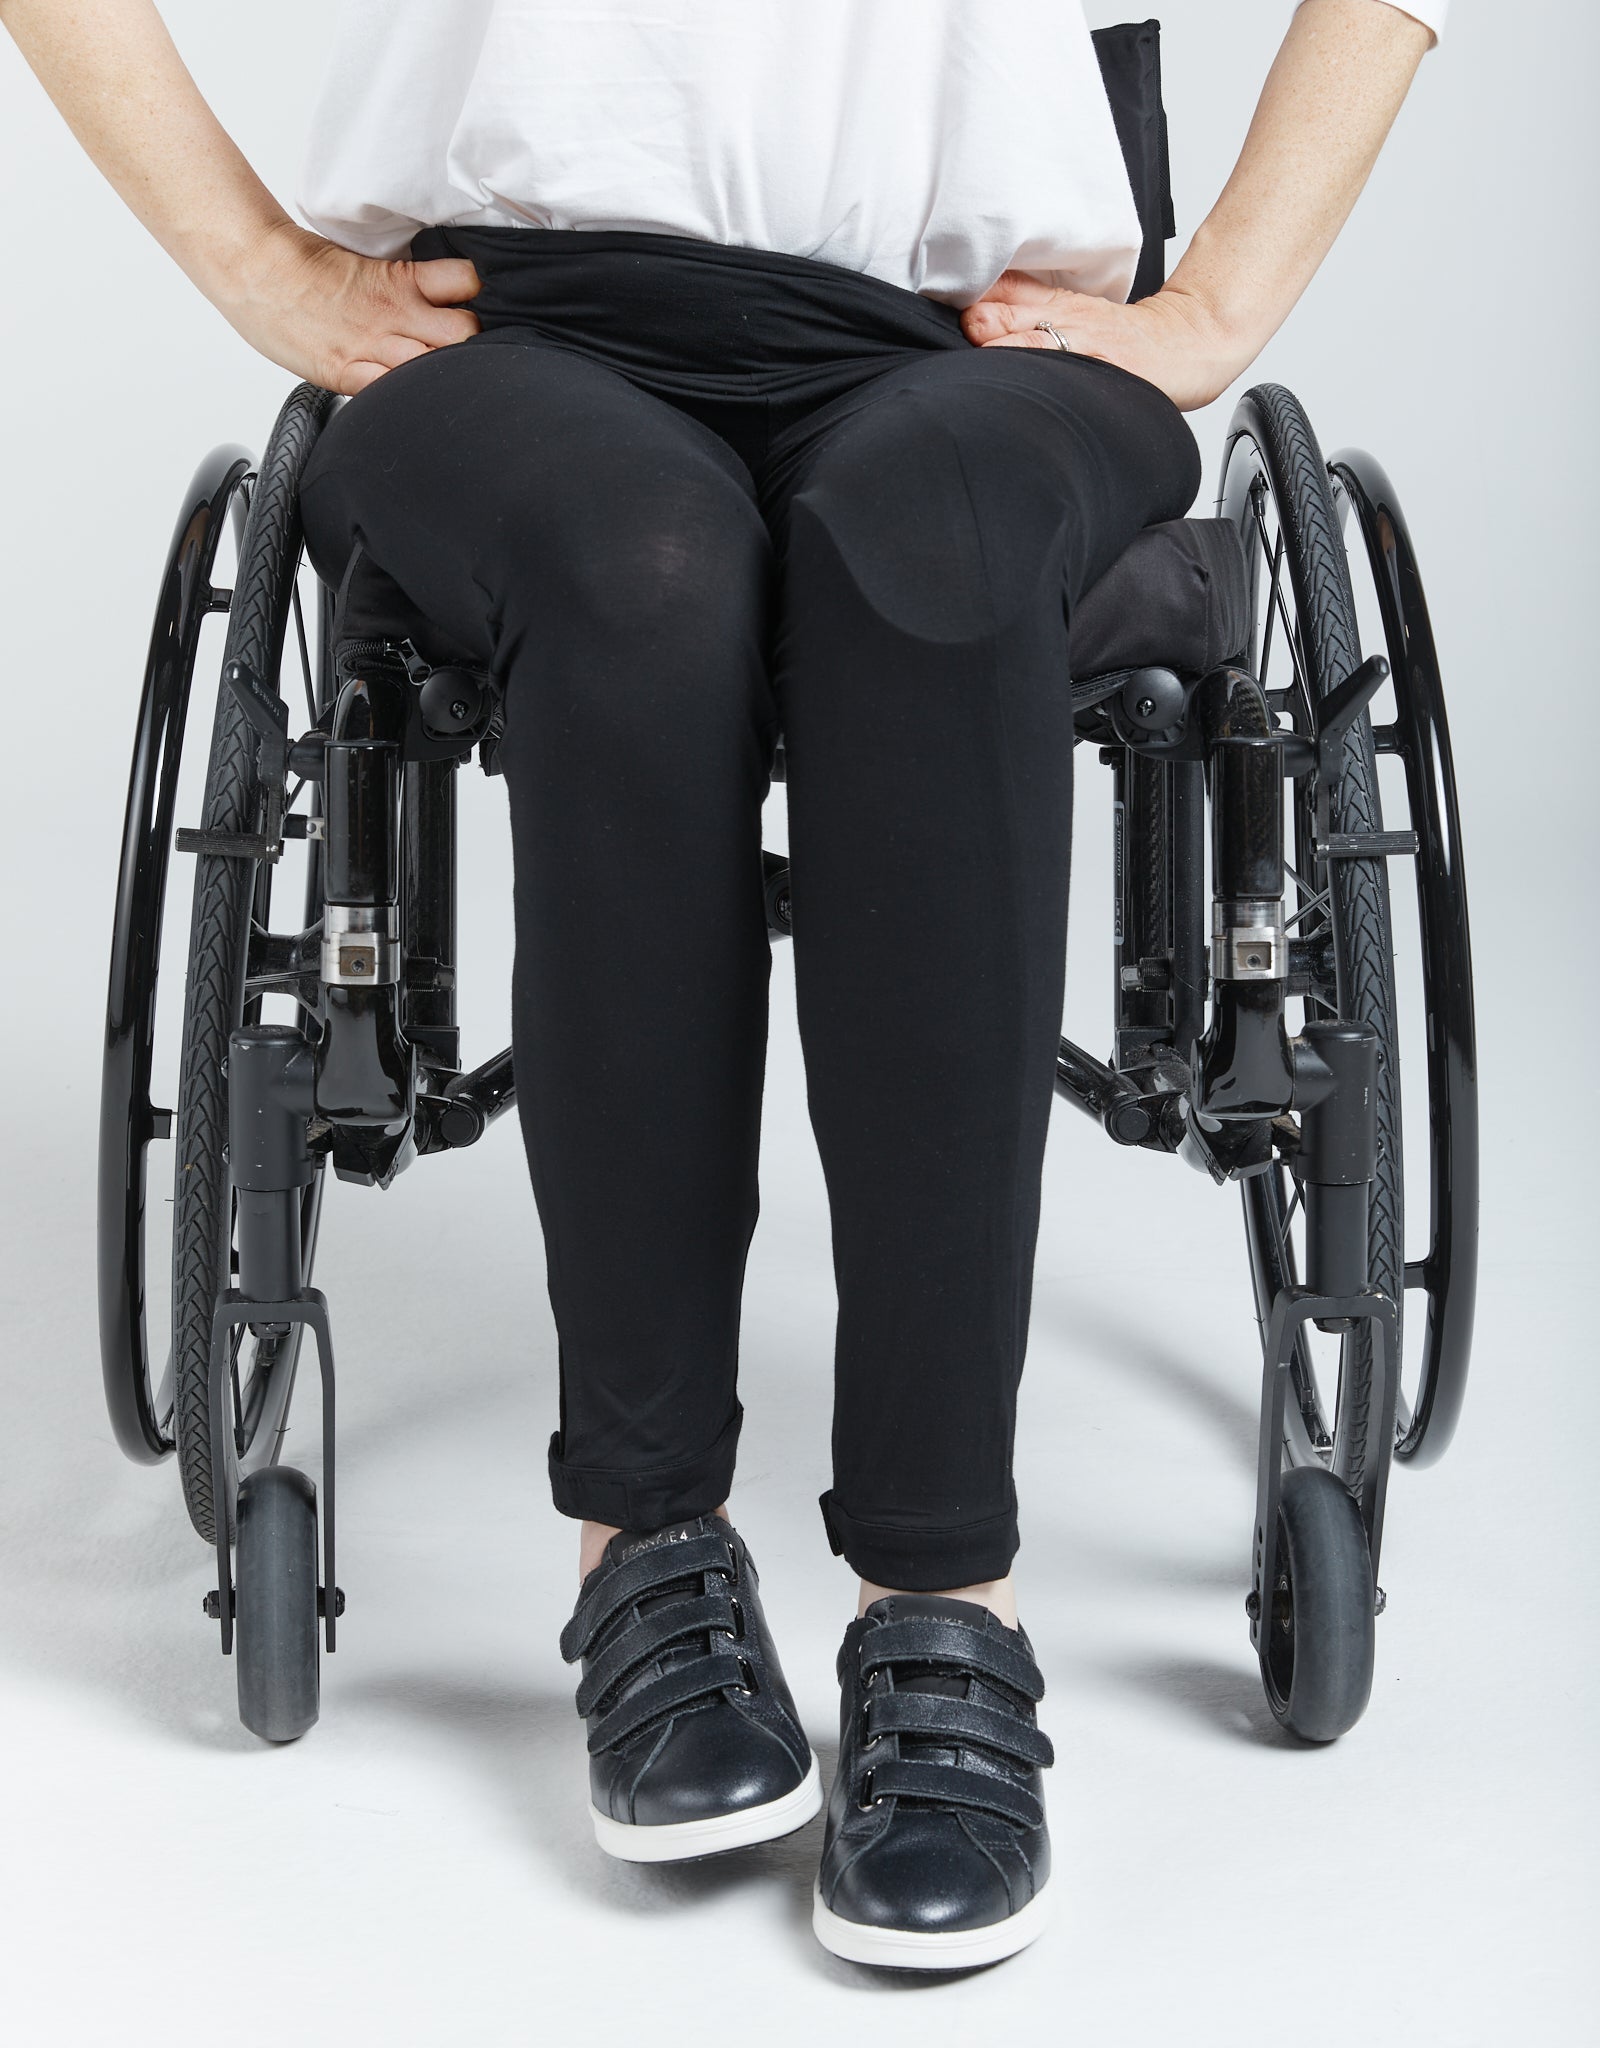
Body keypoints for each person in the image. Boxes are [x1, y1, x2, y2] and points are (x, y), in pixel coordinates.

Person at [4, 0, 1445, 1971]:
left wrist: (1218, 307)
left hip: (956, 341)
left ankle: (947, 1589)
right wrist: (253, 259)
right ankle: (646, 1536)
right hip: (515, 339)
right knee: (639, 563)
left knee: (922, 553)